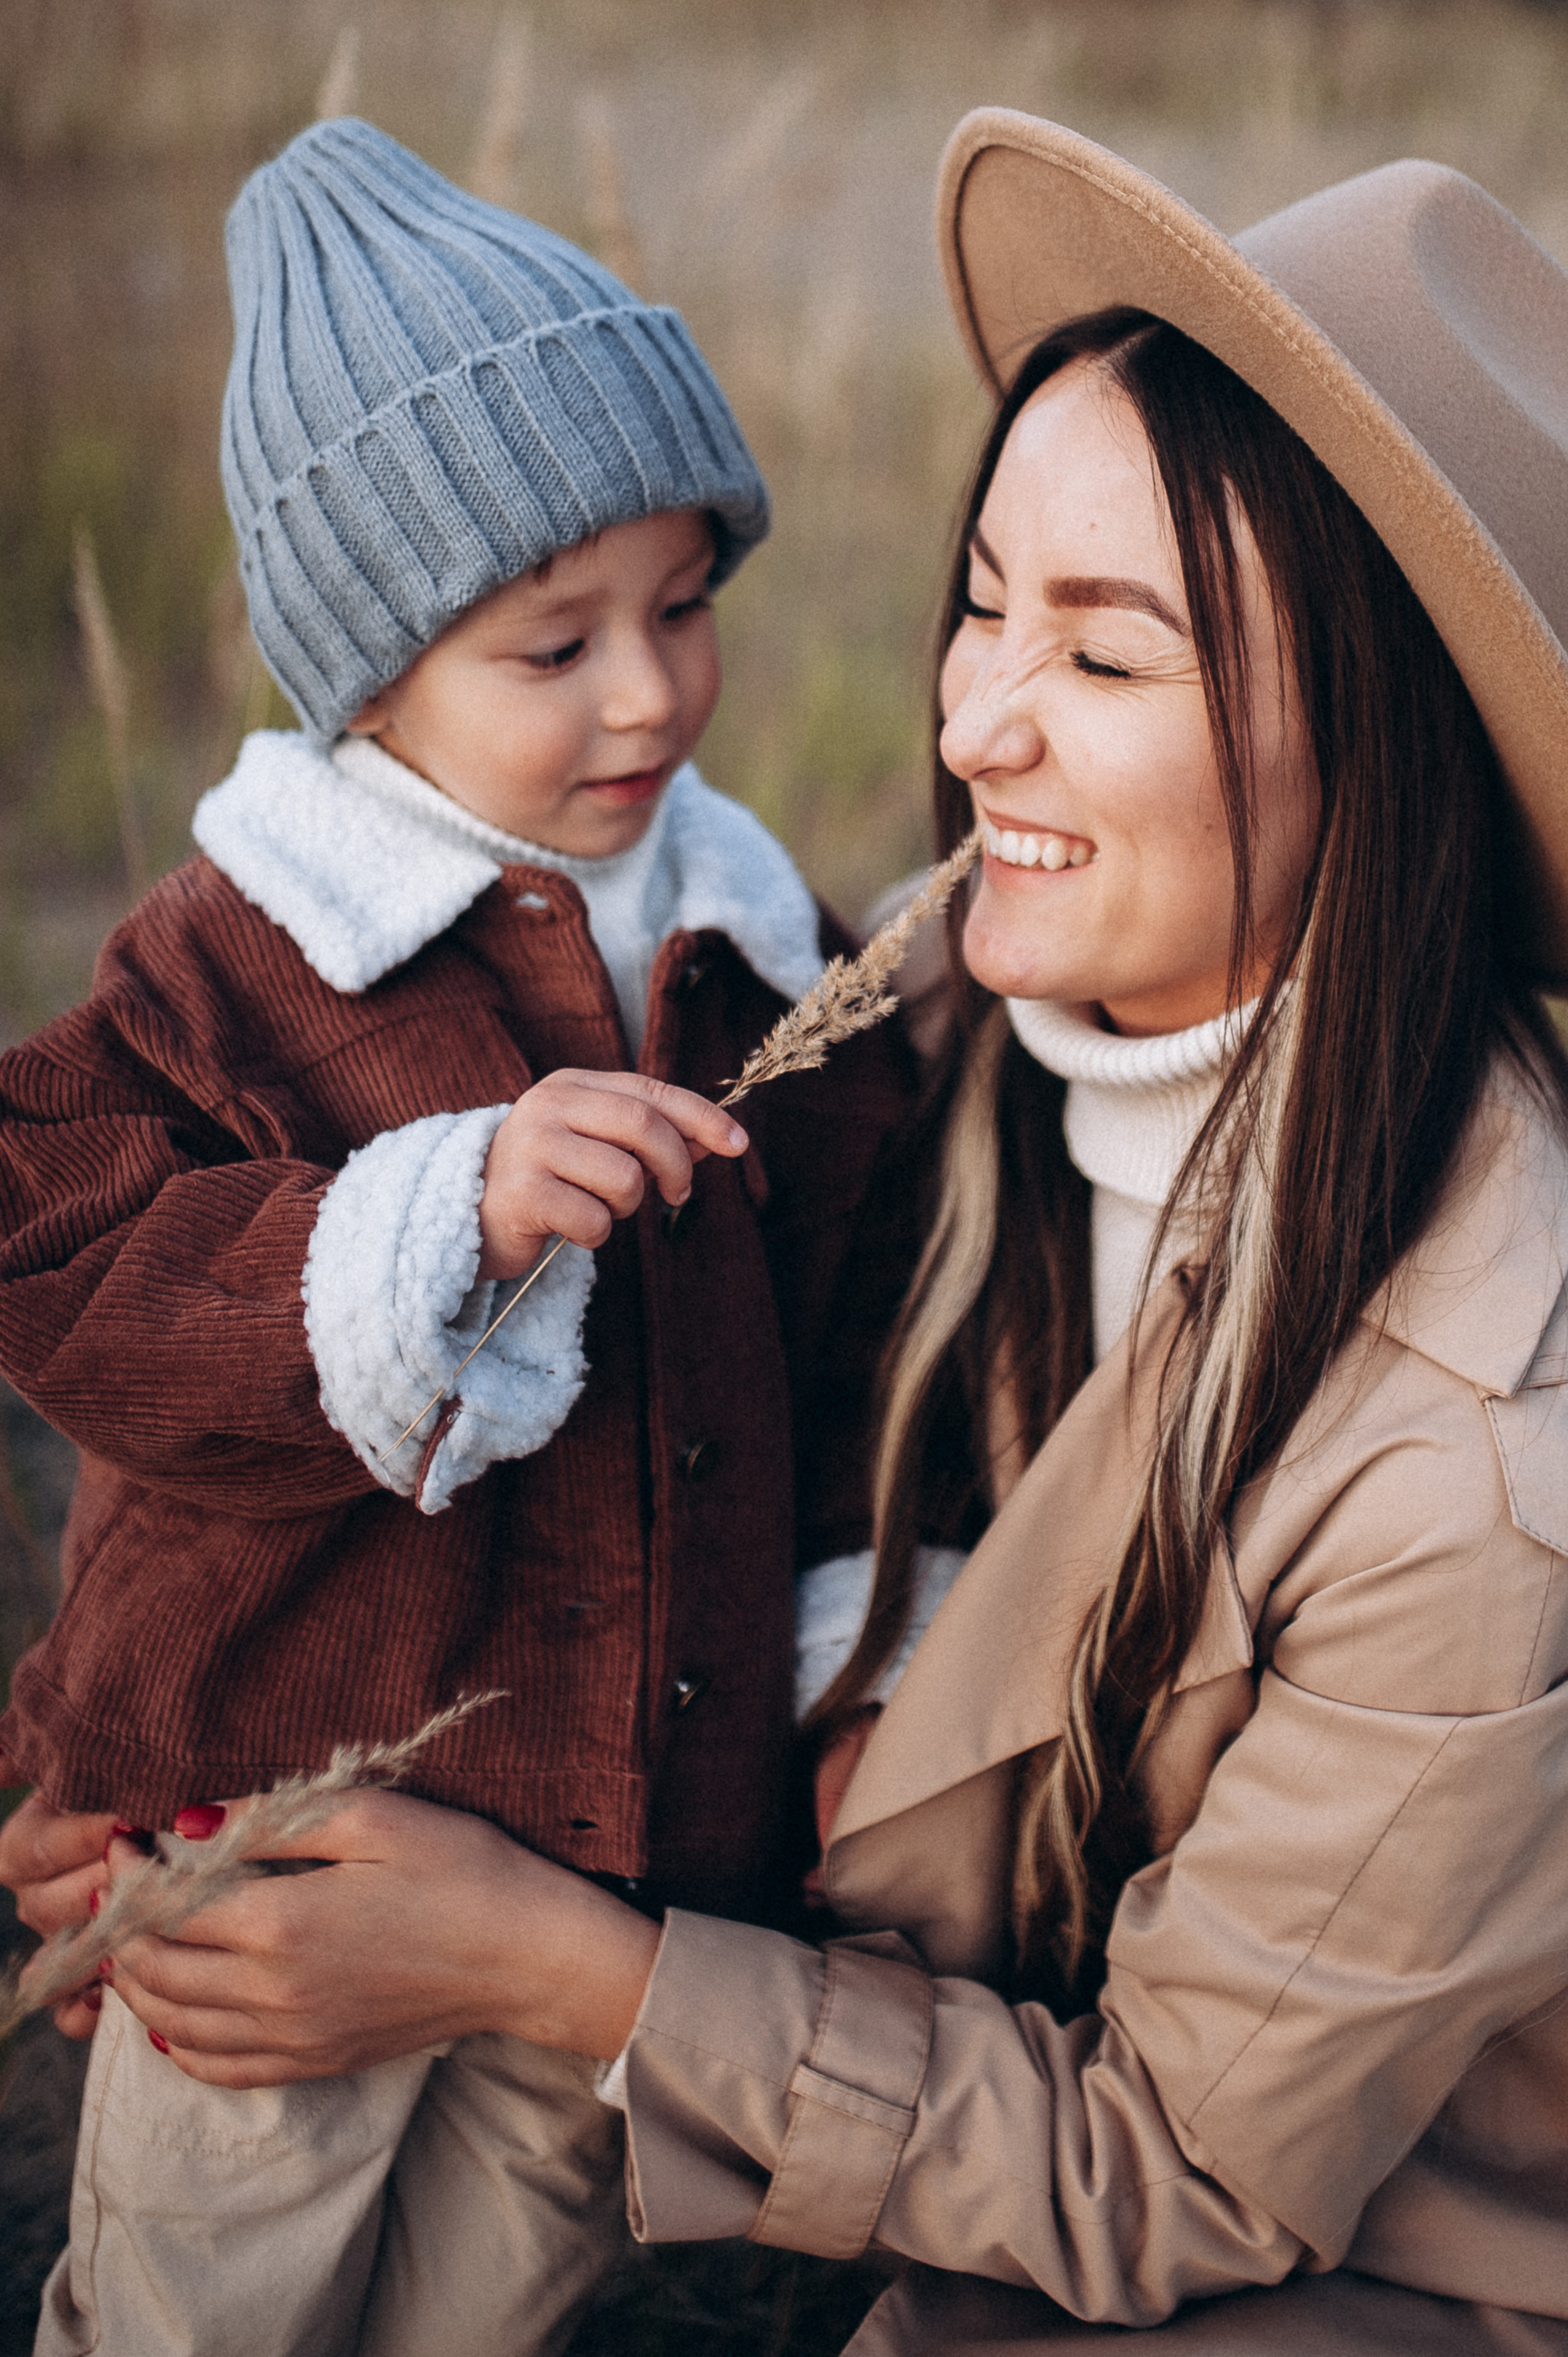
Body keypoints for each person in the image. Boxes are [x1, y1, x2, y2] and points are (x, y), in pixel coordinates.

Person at [16, 107, 1568, 2354]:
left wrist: (548, 1961)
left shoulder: (1490, 1459)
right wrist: (151, 1738)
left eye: (1107, 660)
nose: (973, 722)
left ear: (1383, 732)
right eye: (982, 602)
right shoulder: (906, 1031)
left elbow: (1180, 2173)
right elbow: (189, 1298)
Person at [0, 116, 913, 2357]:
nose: (649, 693)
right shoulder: (246, 953)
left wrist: (835, 1662)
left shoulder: (746, 937)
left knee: (499, 2295)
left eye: (686, 605)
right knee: (214, 2296)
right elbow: (62, 1262)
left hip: (611, 1839)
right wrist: (427, 1218)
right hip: (283, 1842)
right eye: (554, 641)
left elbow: (842, 1320)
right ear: (372, 676)